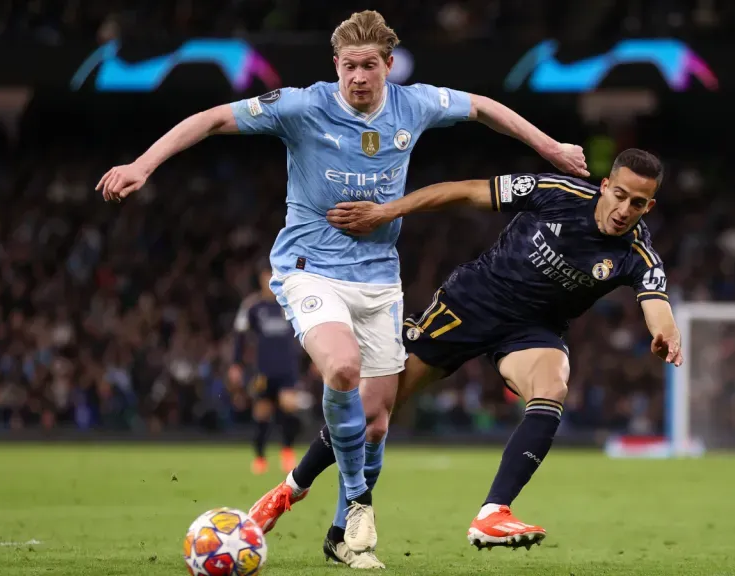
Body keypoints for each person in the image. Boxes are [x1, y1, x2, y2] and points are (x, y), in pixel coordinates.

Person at [96, 9, 587, 560]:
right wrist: (143, 164)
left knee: (376, 422)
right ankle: (358, 503)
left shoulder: (415, 103)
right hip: (310, 269)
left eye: (369, 66)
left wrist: (549, 147)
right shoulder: (303, 106)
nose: (358, 77)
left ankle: (338, 538)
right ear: (336, 65)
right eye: (349, 66)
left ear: (388, 65)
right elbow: (211, 120)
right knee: (342, 367)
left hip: (379, 281)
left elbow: (484, 108)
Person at [250, 149, 682, 557]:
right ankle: (290, 489)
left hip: (532, 330)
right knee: (373, 411)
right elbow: (465, 190)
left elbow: (656, 303)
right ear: (605, 186)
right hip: (470, 305)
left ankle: (493, 512)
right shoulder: (558, 193)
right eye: (620, 195)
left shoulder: (637, 254)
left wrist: (666, 334)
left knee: (553, 383)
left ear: (650, 207)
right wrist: (387, 210)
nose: (625, 209)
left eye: (638, 203)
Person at [230, 265, 303, 475]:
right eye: (267, 275)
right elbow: (240, 335)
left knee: (289, 407)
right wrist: (236, 364)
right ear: (261, 278)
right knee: (262, 412)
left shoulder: (289, 303)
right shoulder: (253, 307)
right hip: (263, 369)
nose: (270, 279)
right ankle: (260, 458)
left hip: (287, 367)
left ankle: (287, 451)